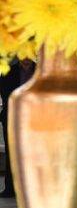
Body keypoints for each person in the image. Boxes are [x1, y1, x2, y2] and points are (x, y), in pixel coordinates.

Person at [0, 58, 35, 197]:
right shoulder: (8, 72)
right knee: (11, 153)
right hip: (12, 117)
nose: (25, 58)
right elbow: (5, 93)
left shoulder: (40, 71)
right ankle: (10, 188)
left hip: (35, 120)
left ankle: (31, 189)